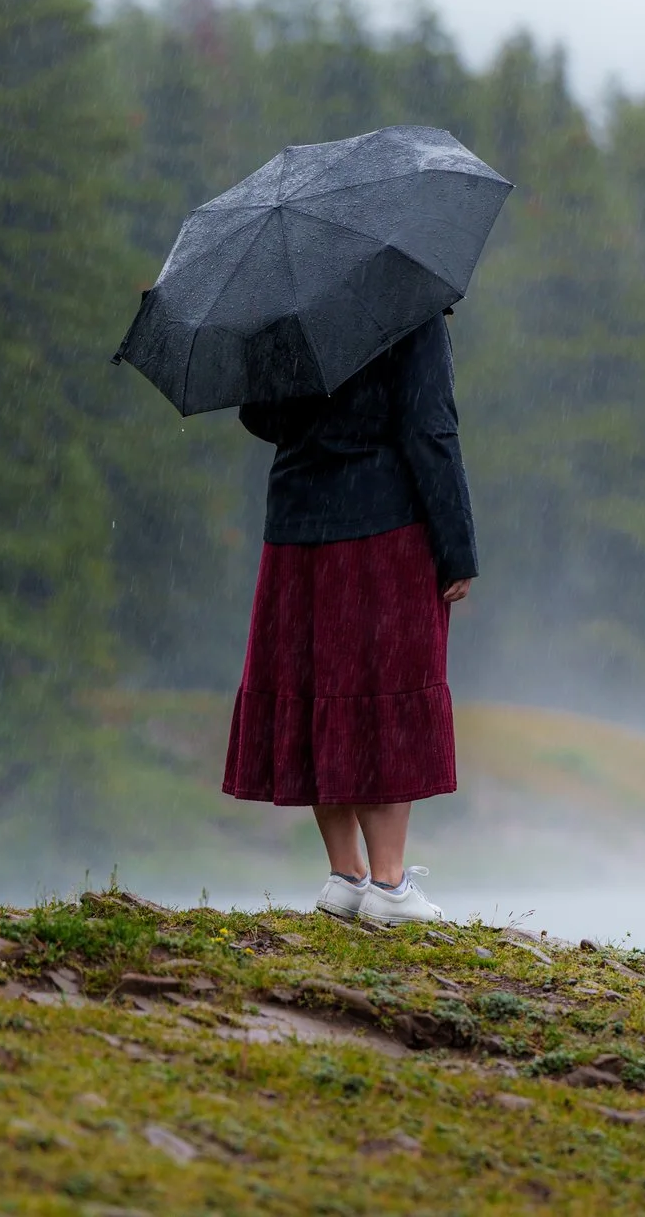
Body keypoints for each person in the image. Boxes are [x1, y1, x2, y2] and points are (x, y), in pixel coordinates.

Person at [221, 308, 475, 927]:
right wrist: (456, 546)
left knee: (319, 695)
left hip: (296, 526)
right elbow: (430, 430)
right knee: (384, 695)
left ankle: (345, 876)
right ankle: (388, 887)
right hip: (382, 528)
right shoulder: (407, 313)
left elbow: (260, 415)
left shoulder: (284, 313)